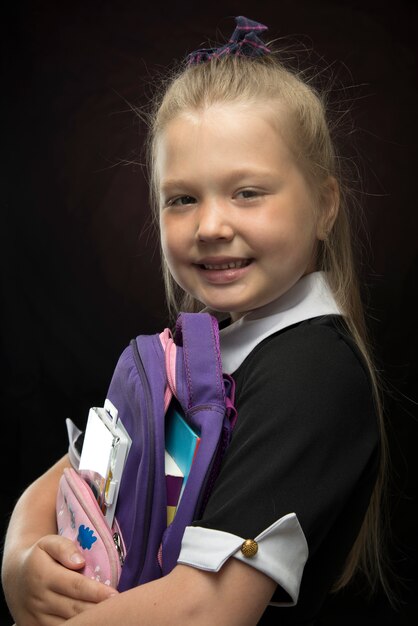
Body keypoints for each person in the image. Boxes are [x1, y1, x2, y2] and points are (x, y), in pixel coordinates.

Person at [1, 16, 388, 626]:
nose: (210, 226)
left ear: (325, 205)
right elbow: (70, 477)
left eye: (247, 193)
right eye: (182, 198)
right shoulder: (203, 351)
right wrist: (21, 561)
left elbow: (205, 610)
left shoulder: (310, 373)